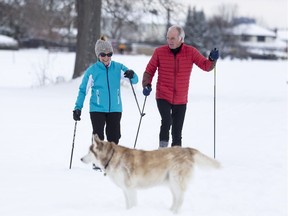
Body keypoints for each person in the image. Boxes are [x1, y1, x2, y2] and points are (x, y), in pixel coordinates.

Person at [142, 25, 219, 148]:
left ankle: (176, 156)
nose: (169, 41)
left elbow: (206, 66)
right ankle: (162, 152)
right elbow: (149, 70)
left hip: (181, 98)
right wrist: (147, 84)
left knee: (177, 130)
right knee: (166, 121)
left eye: (172, 38)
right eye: (168, 38)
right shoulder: (159, 52)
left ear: (181, 39)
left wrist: (211, 59)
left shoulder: (191, 52)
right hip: (163, 94)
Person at [73, 36, 138, 146]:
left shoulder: (118, 68)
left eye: (109, 54)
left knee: (114, 137)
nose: (106, 57)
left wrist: (132, 74)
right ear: (98, 55)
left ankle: (111, 161)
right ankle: (97, 162)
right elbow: (83, 90)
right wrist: (78, 108)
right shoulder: (92, 71)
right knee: (98, 138)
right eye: (103, 55)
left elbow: (135, 80)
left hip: (115, 108)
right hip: (97, 109)